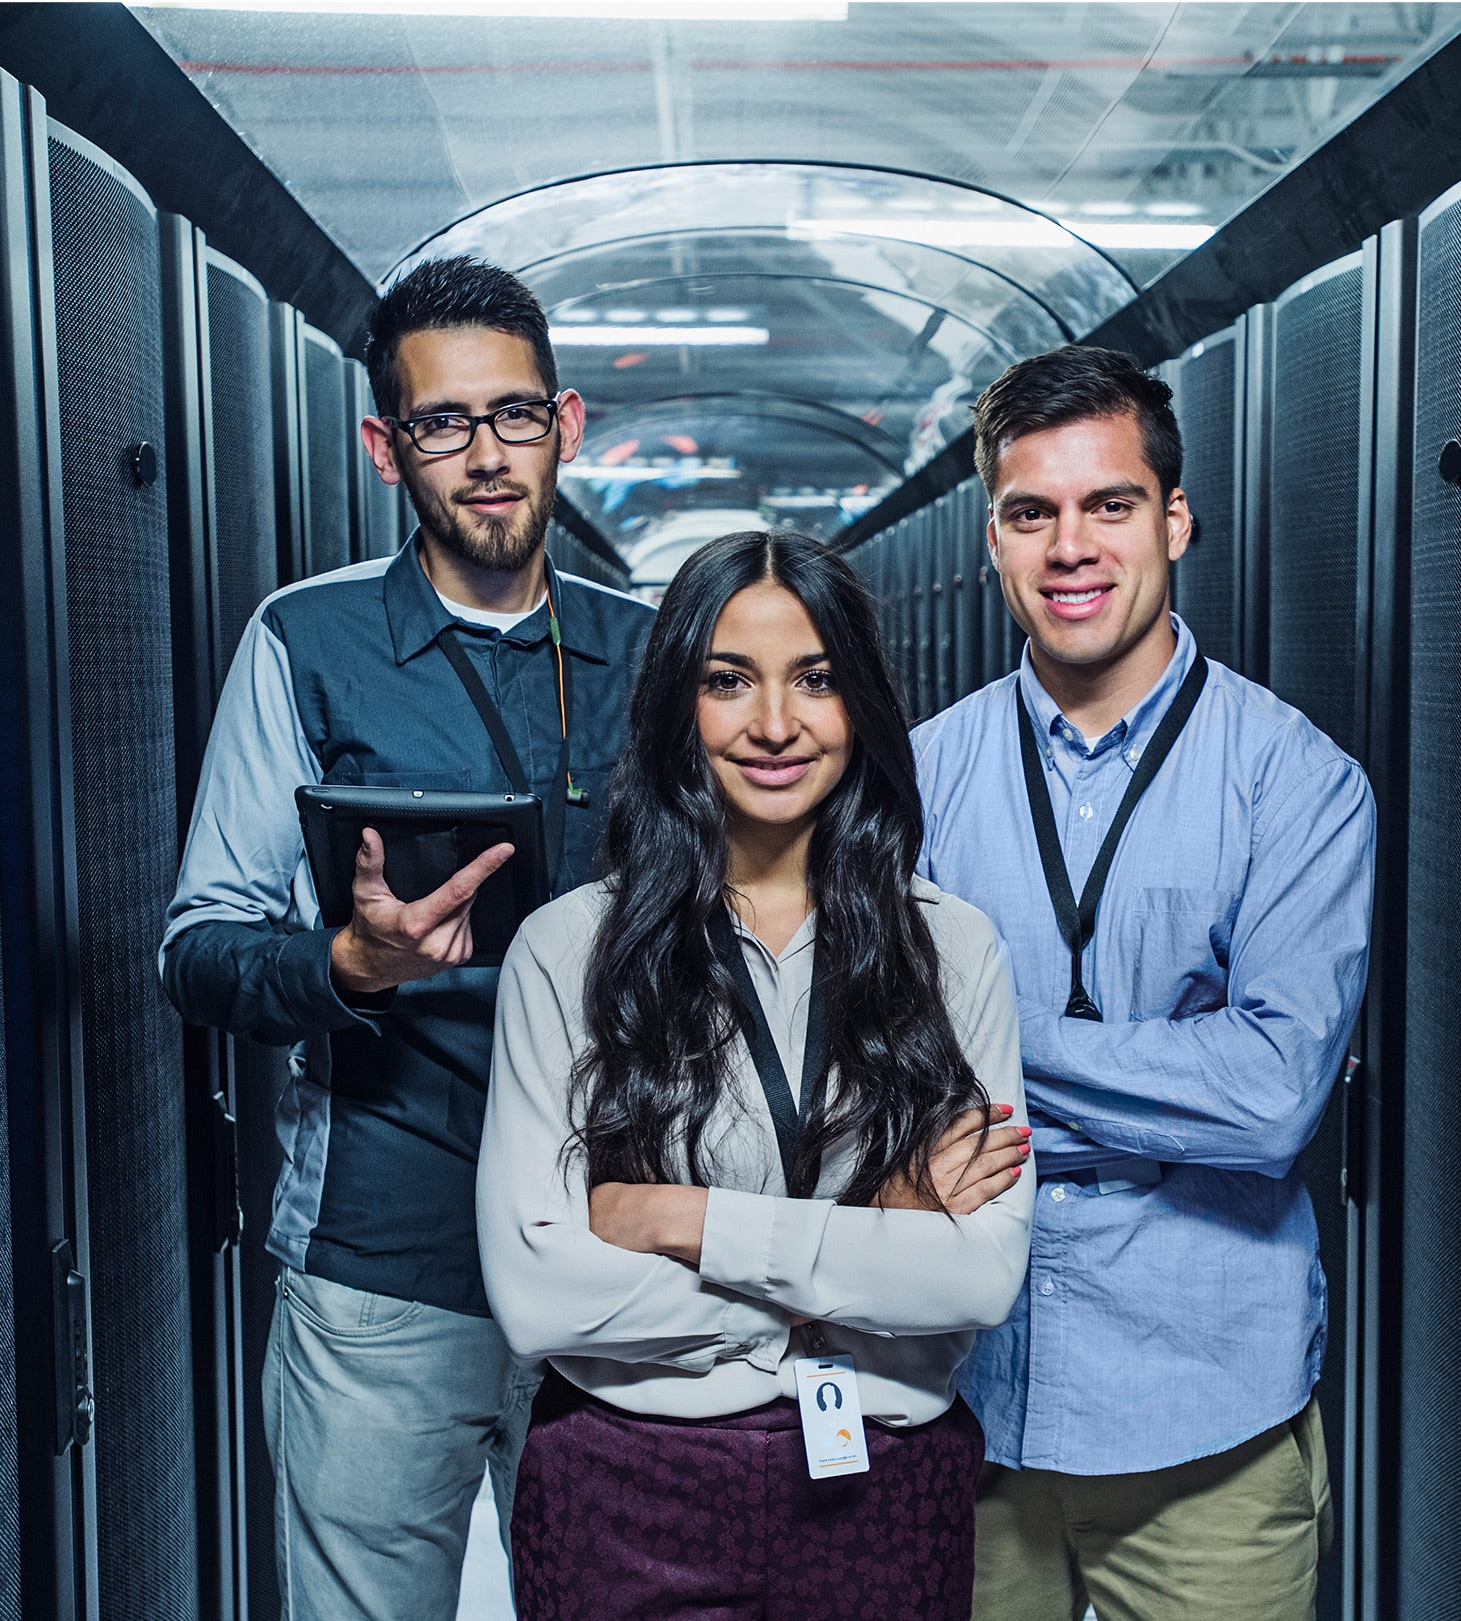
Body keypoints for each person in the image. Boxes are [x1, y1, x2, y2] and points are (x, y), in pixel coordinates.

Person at [160, 257, 655, 1619]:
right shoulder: (305, 642)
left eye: (511, 417)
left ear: (566, 426)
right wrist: (345, 967)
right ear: (389, 446)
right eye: (443, 424)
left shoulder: (663, 649)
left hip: (624, 1261)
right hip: (385, 1268)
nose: (485, 458)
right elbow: (195, 947)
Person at [478, 529, 1036, 1621]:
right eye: (728, 680)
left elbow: (975, 1281)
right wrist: (866, 1244)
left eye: (816, 680)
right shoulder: (564, 952)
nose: (775, 723)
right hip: (626, 1494)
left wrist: (680, 1218)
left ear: (860, 703)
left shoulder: (956, 949)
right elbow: (539, 1299)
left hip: (883, 1489)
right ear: (675, 706)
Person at [913, 346, 1376, 1621]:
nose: (1072, 545)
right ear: (995, 537)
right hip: (961, 1406)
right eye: (1032, 511)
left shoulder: (1301, 785)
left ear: (1173, 519)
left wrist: (988, 1037)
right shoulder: (913, 780)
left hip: (1208, 1423)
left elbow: (1272, 1101)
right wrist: (1178, 1064)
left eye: (1109, 503)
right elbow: (874, 1069)